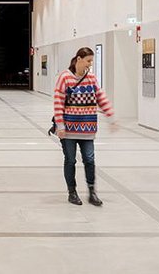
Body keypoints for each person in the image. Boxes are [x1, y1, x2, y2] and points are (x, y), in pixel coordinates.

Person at [53, 47, 115, 207]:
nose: (90, 64)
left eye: (91, 61)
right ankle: (72, 192)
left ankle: (92, 192)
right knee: (70, 160)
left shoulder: (92, 78)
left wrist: (110, 115)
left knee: (89, 160)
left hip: (88, 128)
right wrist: (60, 126)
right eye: (88, 61)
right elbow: (58, 103)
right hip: (68, 129)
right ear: (79, 59)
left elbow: (100, 97)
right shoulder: (64, 78)